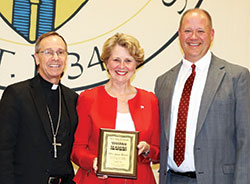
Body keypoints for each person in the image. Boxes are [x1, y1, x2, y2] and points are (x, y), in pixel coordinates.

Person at [155, 8, 250, 184]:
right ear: (179, 34)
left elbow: (247, 141)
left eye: (200, 31)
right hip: (170, 179)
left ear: (211, 34)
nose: (193, 37)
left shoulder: (237, 77)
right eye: (188, 31)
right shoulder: (163, 82)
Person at [71, 33, 160, 184]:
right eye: (116, 60)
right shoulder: (88, 98)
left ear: (136, 64)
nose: (122, 66)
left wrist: (147, 149)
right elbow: (77, 150)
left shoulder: (150, 100)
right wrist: (93, 162)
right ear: (106, 62)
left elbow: (158, 151)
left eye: (128, 60)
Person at [0, 31, 78, 184]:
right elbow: (3, 150)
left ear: (66, 58)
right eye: (48, 52)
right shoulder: (17, 94)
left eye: (60, 52)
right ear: (37, 58)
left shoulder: (72, 99)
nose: (55, 58)